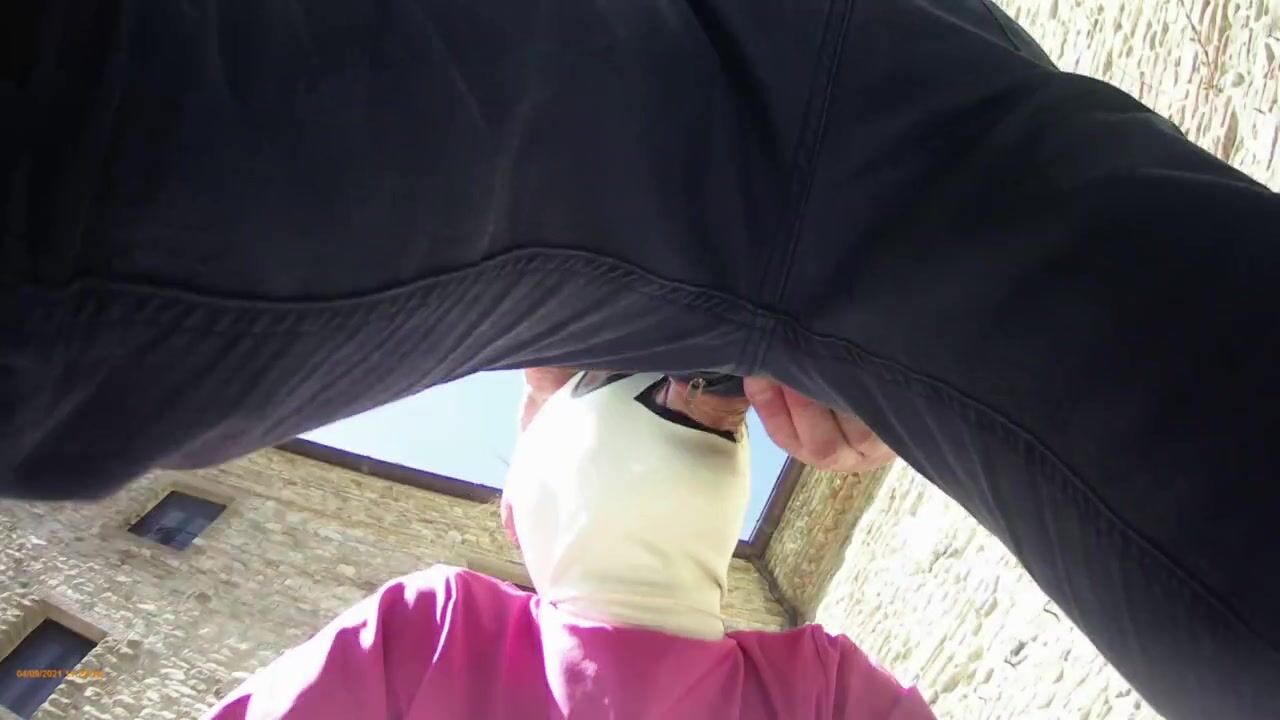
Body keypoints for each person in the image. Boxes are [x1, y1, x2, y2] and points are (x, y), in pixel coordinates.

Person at [4, 0, 1277, 716]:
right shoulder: (437, 633)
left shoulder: (811, 681)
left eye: (716, 409)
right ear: (516, 498)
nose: (714, 409)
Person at [203, 369, 934, 719]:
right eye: (613, 371)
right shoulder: (437, 629)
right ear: (518, 508)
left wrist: (914, 384)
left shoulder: (827, 688)